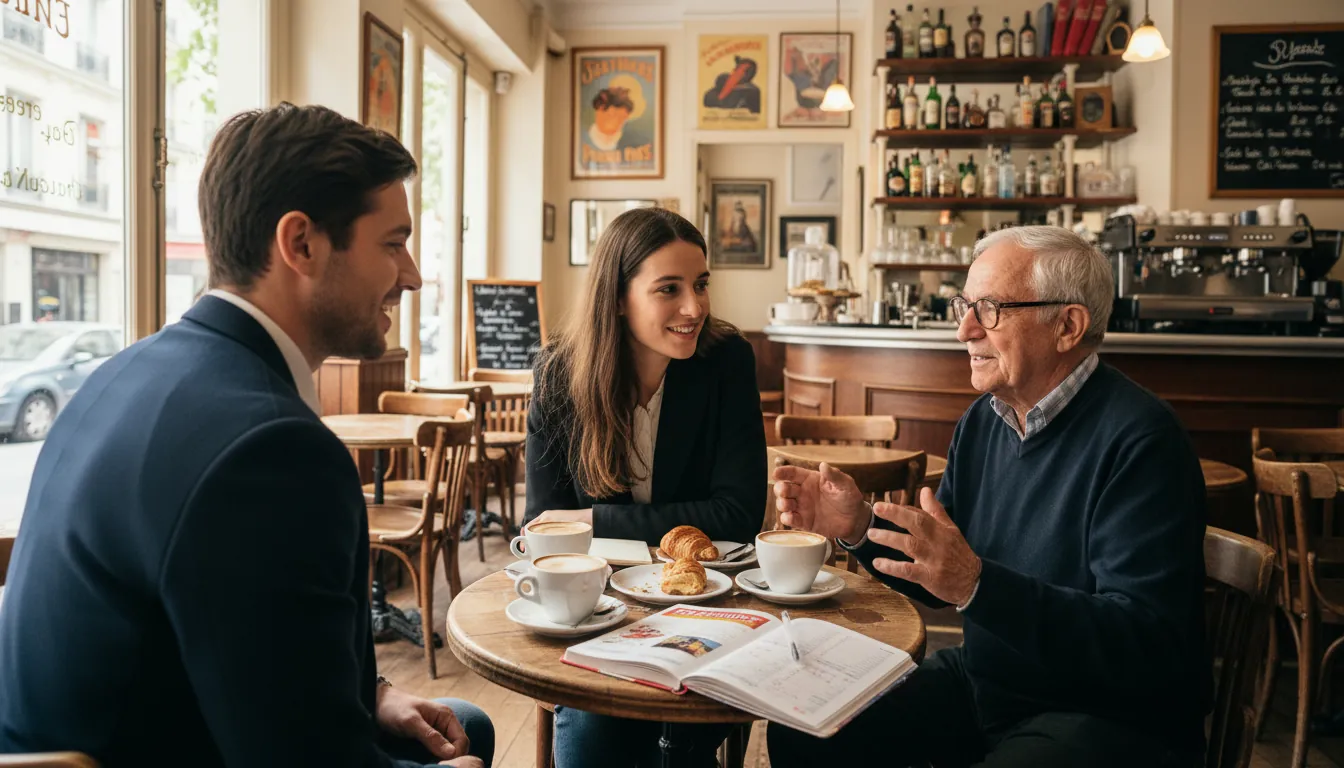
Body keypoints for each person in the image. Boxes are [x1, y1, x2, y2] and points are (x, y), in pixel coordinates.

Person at [0, 103, 493, 768]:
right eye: (393, 243)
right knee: (472, 738)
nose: (412, 275)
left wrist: (370, 692)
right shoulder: (271, 452)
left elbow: (233, 633)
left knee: (460, 721)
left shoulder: (121, 373)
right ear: (301, 244)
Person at [768, 226, 1209, 767]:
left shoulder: (1142, 440)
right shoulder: (985, 421)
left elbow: (1145, 644)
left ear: (1068, 325)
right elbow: (939, 573)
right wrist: (858, 524)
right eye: (965, 305)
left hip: (1109, 717)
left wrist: (977, 585)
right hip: (990, 685)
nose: (964, 330)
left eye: (990, 309)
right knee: (806, 724)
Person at [524, 207, 766, 767]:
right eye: (669, 289)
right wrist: (581, 527)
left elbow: (736, 514)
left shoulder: (726, 361)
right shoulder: (561, 373)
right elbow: (546, 528)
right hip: (595, 610)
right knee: (596, 740)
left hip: (703, 608)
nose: (694, 307)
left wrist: (597, 522)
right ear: (616, 297)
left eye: (701, 285)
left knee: (680, 747)